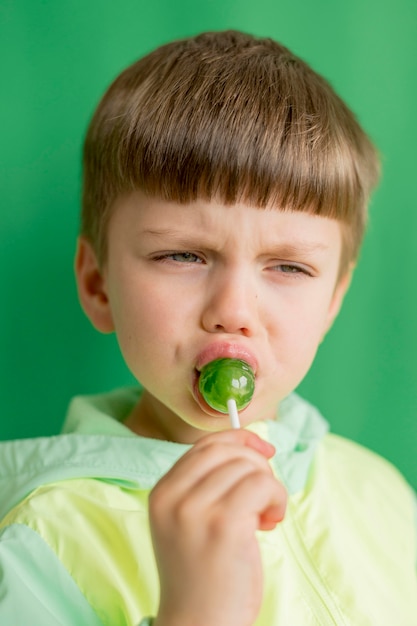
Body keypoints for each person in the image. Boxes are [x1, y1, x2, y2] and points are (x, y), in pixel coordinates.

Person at [0, 30, 416, 626]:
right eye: (183, 256)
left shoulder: (381, 493)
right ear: (98, 286)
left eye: (290, 266)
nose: (234, 309)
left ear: (331, 304)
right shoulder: (41, 541)